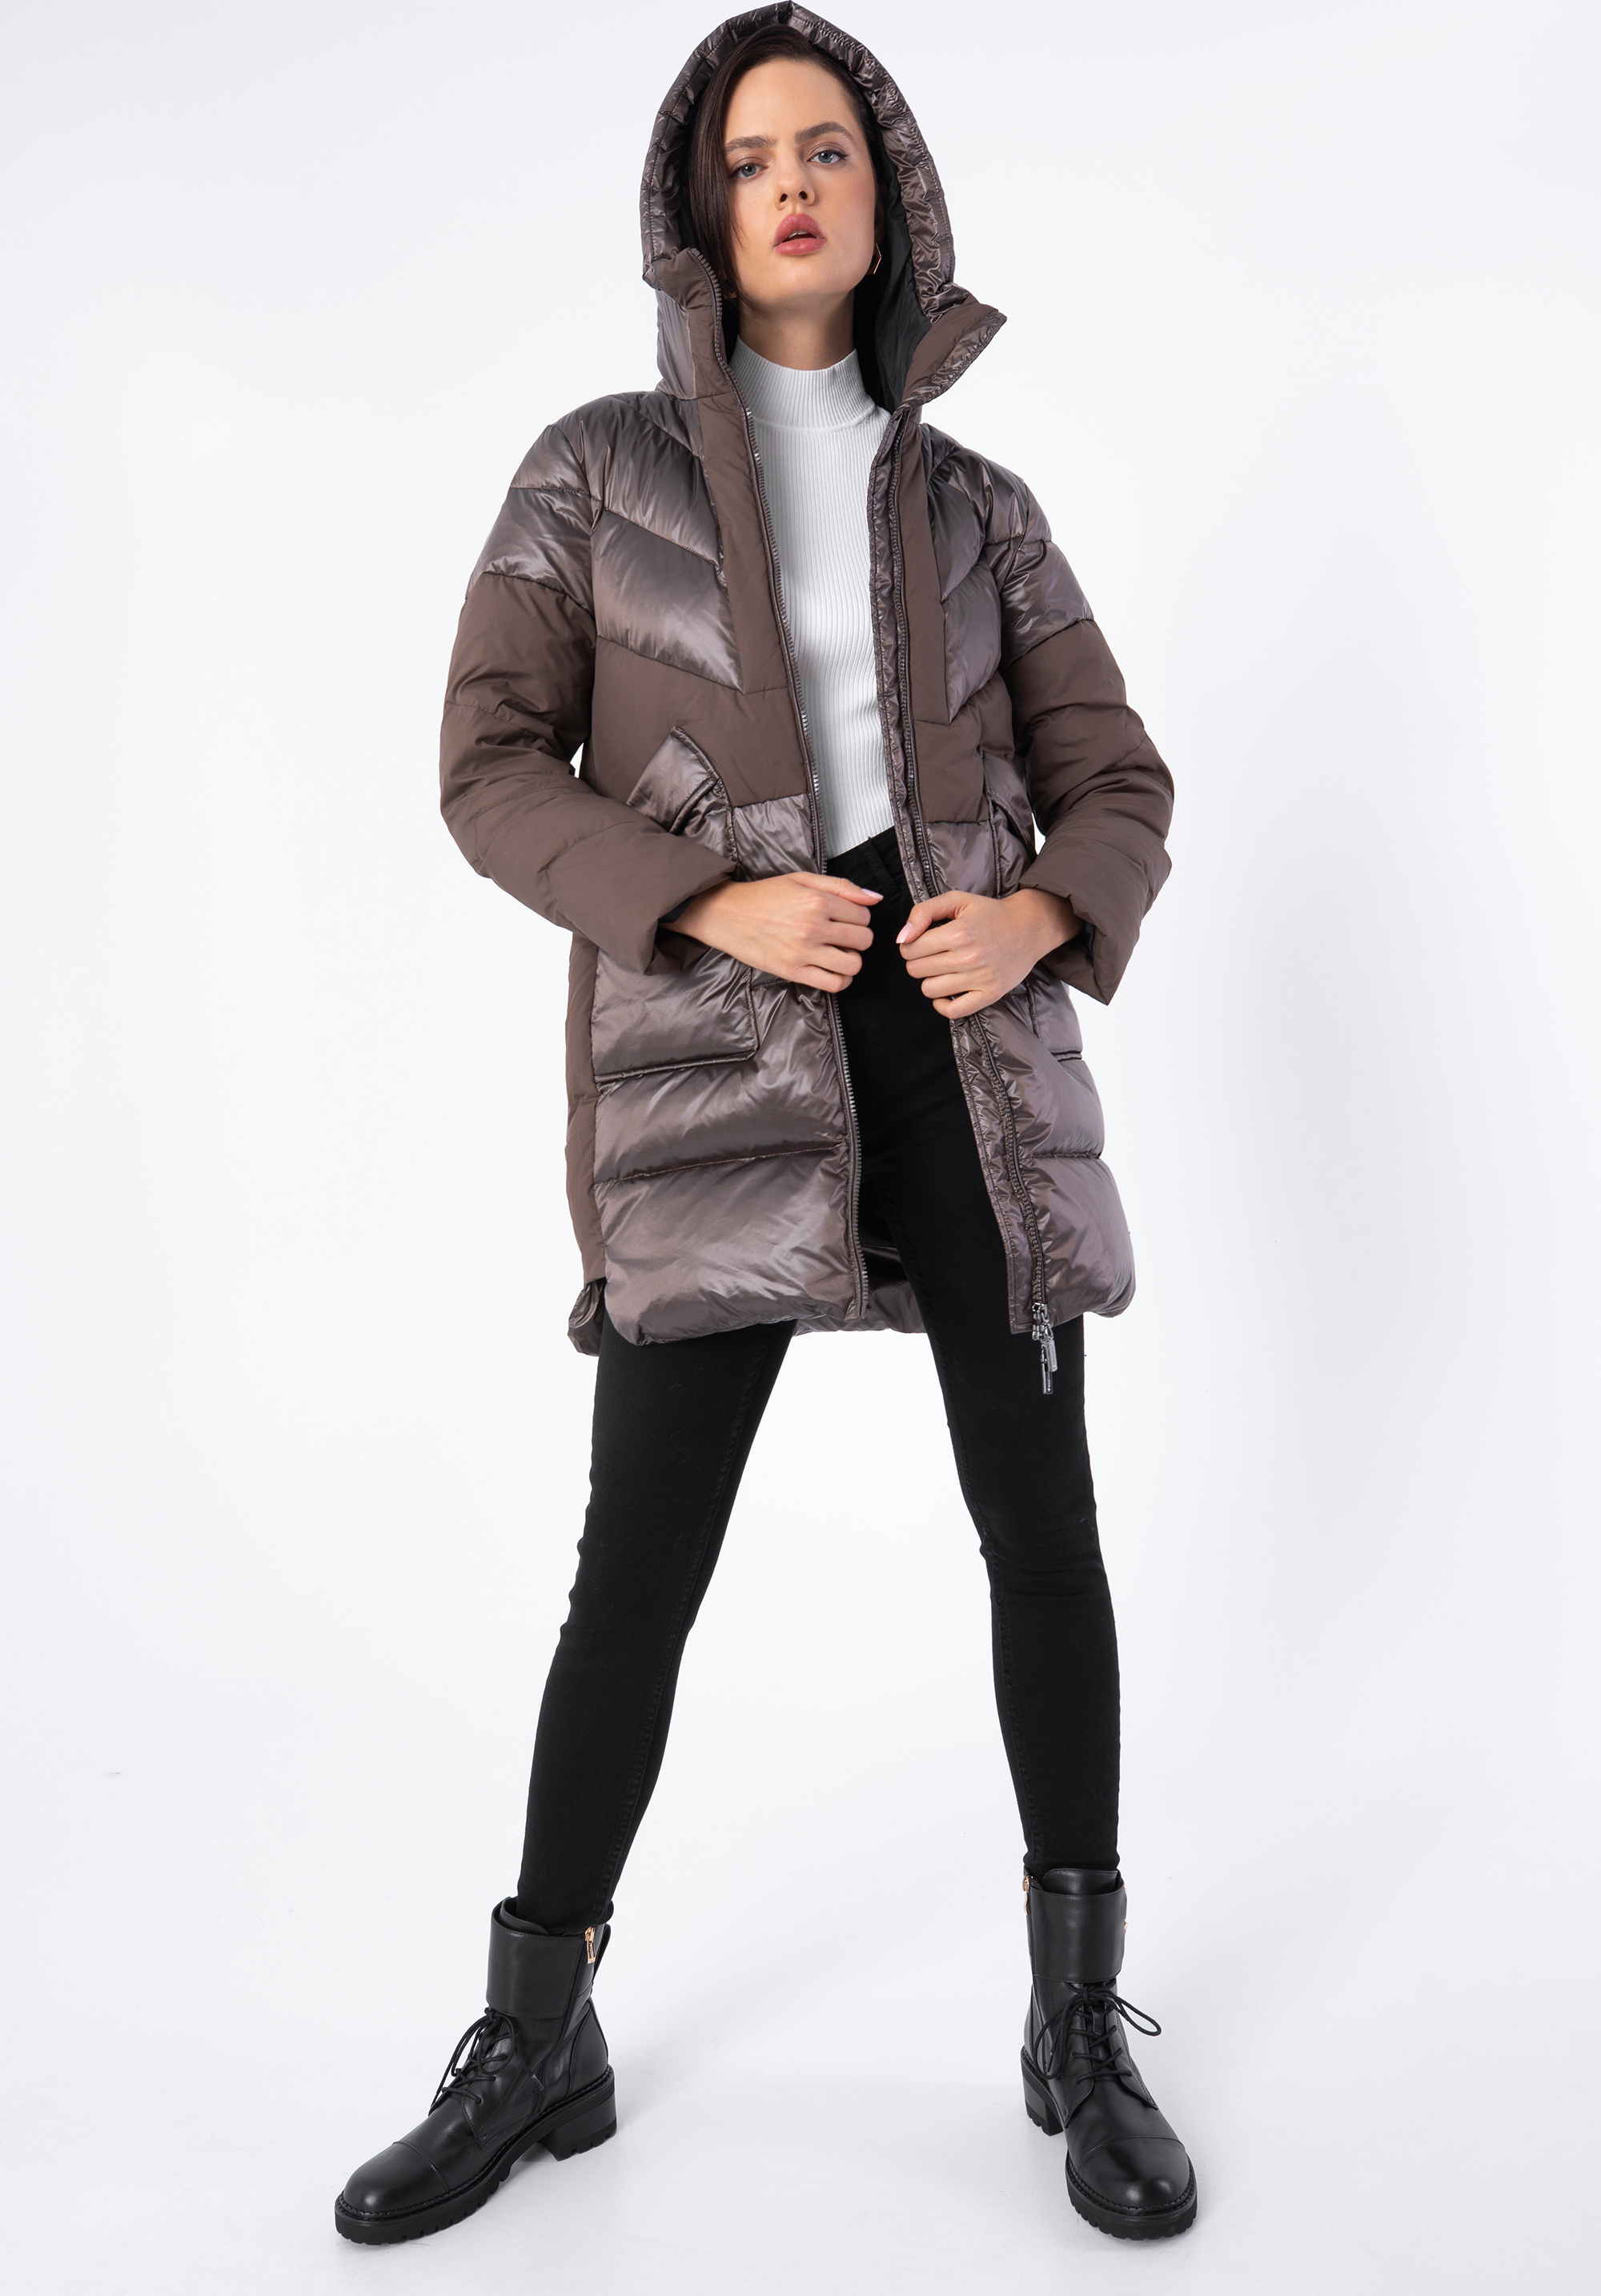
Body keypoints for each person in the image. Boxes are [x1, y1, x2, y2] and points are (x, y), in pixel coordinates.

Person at [335, 7, 1193, 2247]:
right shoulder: (588, 470)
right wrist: (706, 897)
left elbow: (1117, 778)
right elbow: (487, 767)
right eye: (749, 157)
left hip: (963, 1042)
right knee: (640, 1558)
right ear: (698, 209)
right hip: (717, 1044)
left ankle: (1079, 2022)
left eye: (828, 149)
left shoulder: (983, 507)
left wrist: (1039, 914)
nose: (791, 184)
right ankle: (539, 2028)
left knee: (1043, 1532)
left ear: (887, 193)